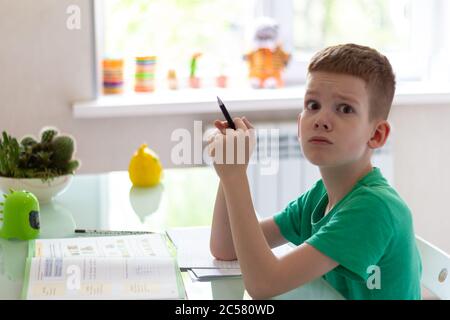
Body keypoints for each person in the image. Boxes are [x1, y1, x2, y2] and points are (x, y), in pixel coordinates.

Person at [207, 43, 422, 300]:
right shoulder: (319, 198)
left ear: (376, 134)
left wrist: (235, 176)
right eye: (313, 105)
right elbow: (226, 248)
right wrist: (230, 170)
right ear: (299, 125)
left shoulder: (374, 208)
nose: (321, 119)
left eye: (344, 109)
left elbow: (264, 284)